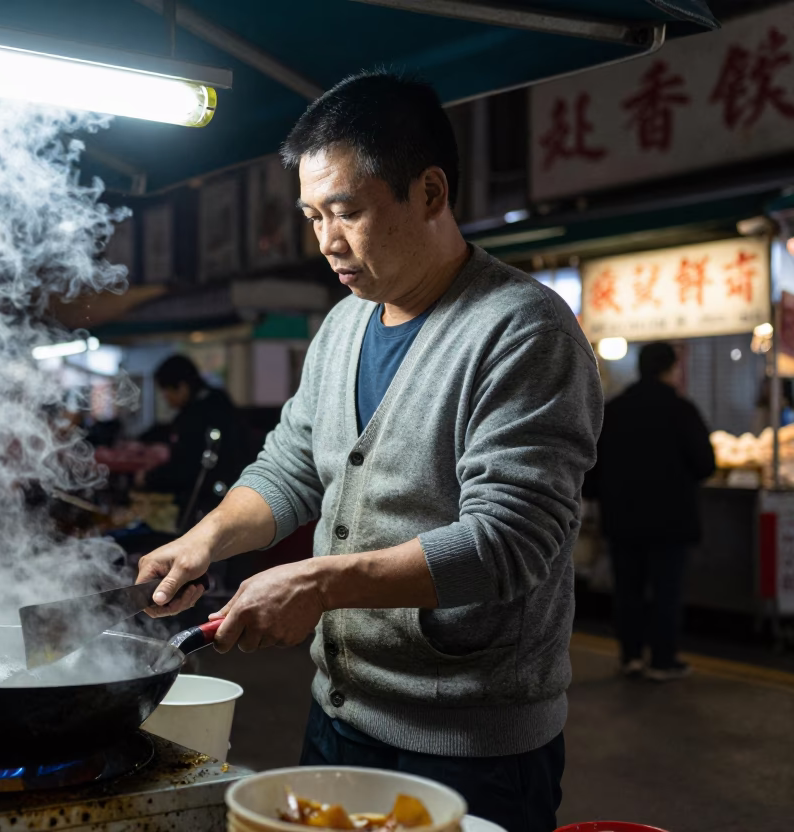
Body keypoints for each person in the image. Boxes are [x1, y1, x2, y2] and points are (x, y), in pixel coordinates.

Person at [136, 72, 603, 832]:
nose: (326, 240)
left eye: (346, 210)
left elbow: (510, 544)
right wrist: (203, 539)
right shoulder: (343, 326)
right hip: (339, 717)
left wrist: (319, 584)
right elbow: (290, 465)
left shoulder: (522, 330)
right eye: (313, 215)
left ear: (428, 192)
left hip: (470, 746)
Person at [586, 342, 715, 682]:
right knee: (665, 592)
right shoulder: (681, 410)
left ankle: (630, 657)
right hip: (671, 521)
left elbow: (590, 472)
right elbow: (705, 465)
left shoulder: (612, 410)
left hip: (622, 520)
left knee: (627, 591)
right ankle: (662, 660)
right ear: (671, 369)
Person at [137, 355, 245, 518]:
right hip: (233, 496)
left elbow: (185, 468)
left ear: (182, 387)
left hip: (207, 506)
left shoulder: (195, 415)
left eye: (166, 391)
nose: (166, 398)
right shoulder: (218, 401)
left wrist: (150, 478)